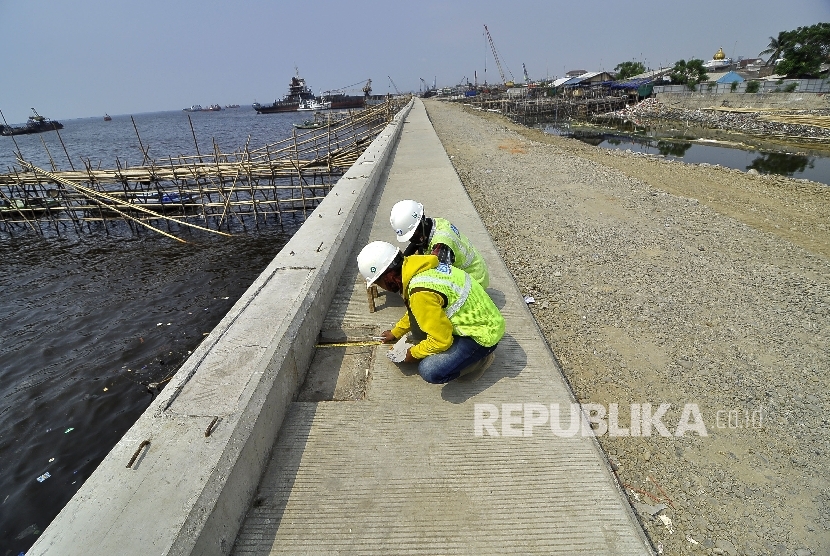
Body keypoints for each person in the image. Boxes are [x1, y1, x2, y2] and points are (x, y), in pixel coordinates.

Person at [357, 241, 504, 384]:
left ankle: (479, 361)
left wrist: (412, 354)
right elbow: (418, 311)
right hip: (480, 319)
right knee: (423, 334)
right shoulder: (417, 267)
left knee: (430, 370)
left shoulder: (420, 292)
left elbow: (441, 341)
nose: (381, 287)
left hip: (482, 336)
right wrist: (396, 332)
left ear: (387, 277)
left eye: (378, 282)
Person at [389, 200, 490, 289]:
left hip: (475, 281)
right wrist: (401, 262)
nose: (412, 239)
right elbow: (416, 244)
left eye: (414, 235)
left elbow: (436, 275)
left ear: (422, 221)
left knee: (424, 286)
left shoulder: (442, 243)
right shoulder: (432, 224)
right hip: (473, 272)